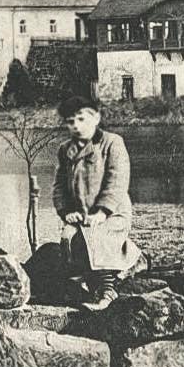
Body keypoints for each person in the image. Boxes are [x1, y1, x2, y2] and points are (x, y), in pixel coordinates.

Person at [52, 95, 143, 310]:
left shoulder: (112, 143)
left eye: (82, 119)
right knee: (68, 238)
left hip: (112, 213)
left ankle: (108, 291)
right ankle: (87, 282)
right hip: (80, 215)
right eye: (71, 121)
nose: (76, 126)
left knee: (98, 237)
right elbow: (59, 187)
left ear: (96, 118)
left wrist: (103, 211)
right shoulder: (65, 150)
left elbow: (117, 180)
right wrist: (67, 213)